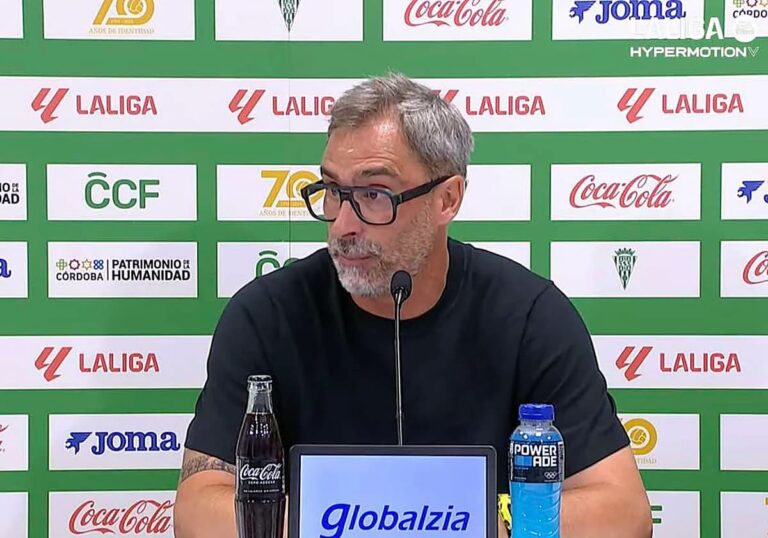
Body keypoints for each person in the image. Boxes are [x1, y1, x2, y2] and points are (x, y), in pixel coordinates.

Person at [173, 72, 652, 538]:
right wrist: (365, 520)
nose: (342, 224)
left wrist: (460, 523)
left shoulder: (528, 315)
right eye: (334, 192)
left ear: (447, 198)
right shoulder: (267, 314)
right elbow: (198, 510)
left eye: (374, 194)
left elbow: (622, 513)